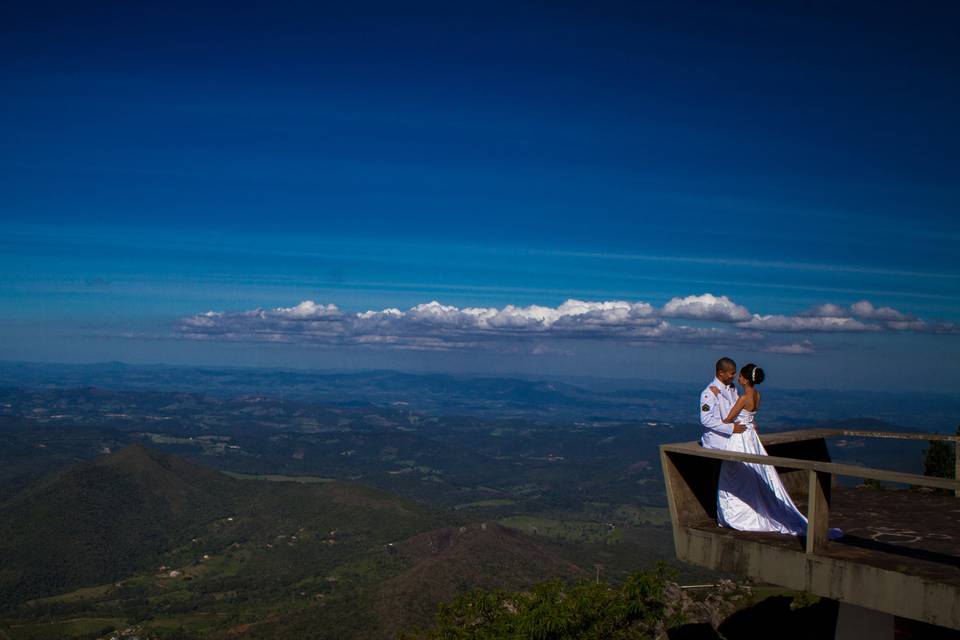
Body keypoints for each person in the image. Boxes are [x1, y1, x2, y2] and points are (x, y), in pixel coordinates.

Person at [712, 363, 842, 539]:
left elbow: (727, 420)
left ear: (745, 379)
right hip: (752, 438)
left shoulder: (743, 399)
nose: (738, 378)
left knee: (735, 477)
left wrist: (717, 396)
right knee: (755, 473)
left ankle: (736, 515)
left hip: (740, 438)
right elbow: (750, 417)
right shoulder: (758, 396)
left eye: (740, 376)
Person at [699, 357, 745, 449]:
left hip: (732, 440)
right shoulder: (709, 393)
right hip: (716, 443)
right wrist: (731, 428)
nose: (734, 376)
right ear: (721, 373)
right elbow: (706, 419)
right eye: (732, 373)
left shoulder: (732, 388)